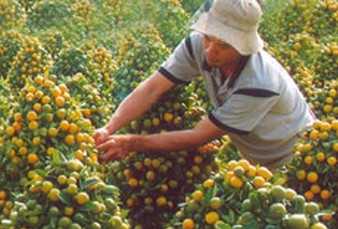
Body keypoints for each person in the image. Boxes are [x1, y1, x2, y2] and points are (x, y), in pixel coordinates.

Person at [95, 0, 315, 169]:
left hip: (294, 157)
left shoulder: (260, 84)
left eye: (223, 45)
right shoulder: (196, 45)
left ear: (242, 47)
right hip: (256, 161)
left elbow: (198, 135)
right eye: (208, 38)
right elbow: (153, 88)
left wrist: (131, 143)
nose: (210, 51)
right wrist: (110, 127)